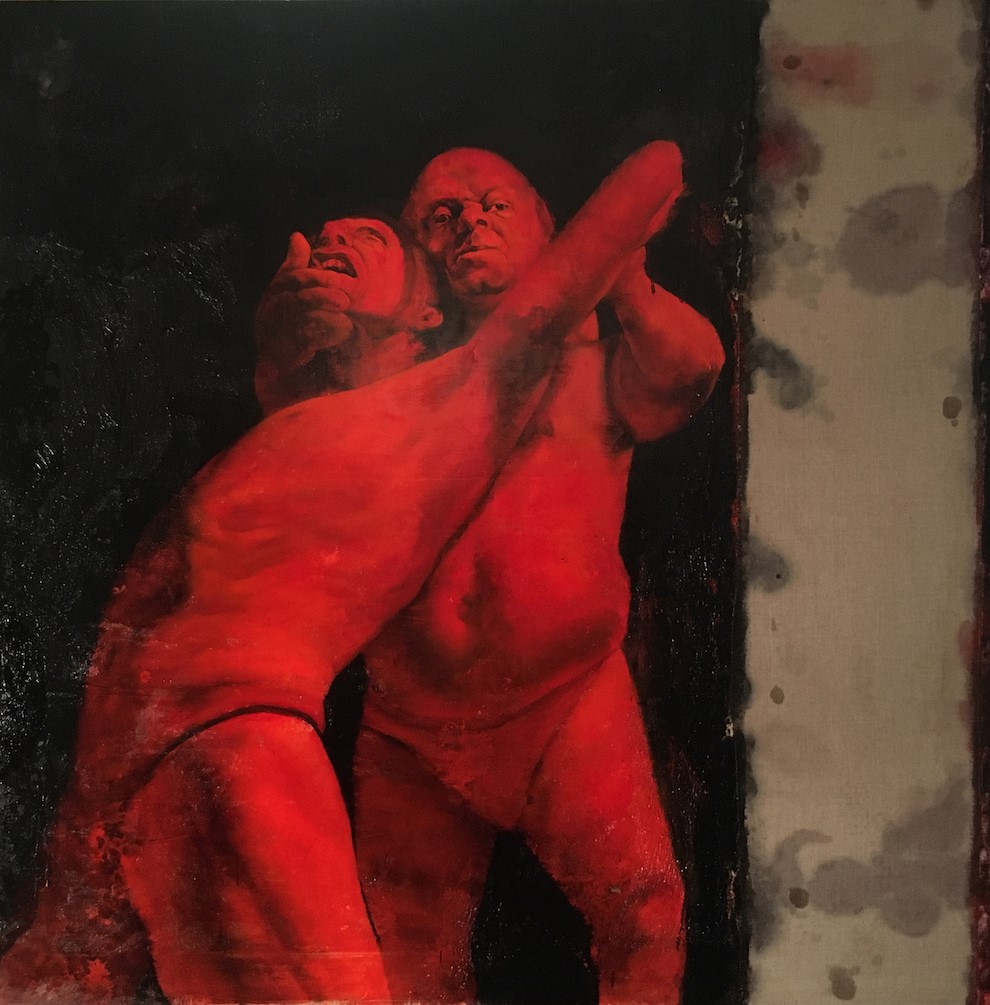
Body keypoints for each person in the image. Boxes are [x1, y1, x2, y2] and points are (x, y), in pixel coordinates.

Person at [0, 142, 682, 1004]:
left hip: (231, 739)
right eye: (325, 237)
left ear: (426, 310)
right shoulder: (319, 414)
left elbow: (646, 180)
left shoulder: (462, 399)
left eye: (368, 235)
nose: (324, 241)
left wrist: (571, 254)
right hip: (113, 780)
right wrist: (279, 345)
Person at [344, 148, 725, 1005]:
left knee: (642, 912)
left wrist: (622, 277)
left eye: (492, 206)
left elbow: (693, 371)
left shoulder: (598, 364)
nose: (468, 224)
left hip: (565, 697)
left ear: (551, 232)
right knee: (409, 950)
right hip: (411, 719)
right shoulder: (397, 373)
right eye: (441, 216)